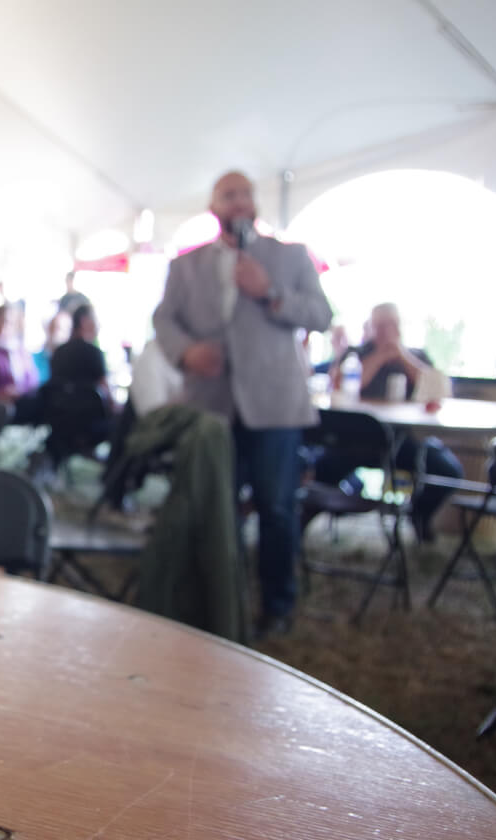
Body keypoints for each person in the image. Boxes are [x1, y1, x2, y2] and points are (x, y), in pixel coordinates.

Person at [153, 171, 333, 638]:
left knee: (276, 507)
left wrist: (270, 292)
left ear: (255, 205)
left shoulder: (289, 257)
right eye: (228, 194)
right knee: (217, 506)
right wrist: (187, 351)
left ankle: (278, 604)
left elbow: (321, 314)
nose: (239, 201)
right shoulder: (186, 266)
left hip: (274, 406)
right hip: (212, 406)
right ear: (214, 208)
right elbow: (164, 319)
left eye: (245, 194)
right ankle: (220, 601)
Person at [318, 302, 462, 541]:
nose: (386, 331)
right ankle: (300, 529)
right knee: (322, 468)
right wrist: (380, 356)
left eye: (391, 325)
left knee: (448, 470)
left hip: (406, 442)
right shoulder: (357, 354)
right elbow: (339, 387)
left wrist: (402, 357)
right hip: (357, 442)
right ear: (371, 328)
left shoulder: (416, 356)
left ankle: (419, 515)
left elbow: (440, 391)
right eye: (380, 326)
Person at [0, 304, 40, 406]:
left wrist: (21, 391)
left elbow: (32, 381)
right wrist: (0, 393)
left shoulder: (22, 352)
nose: (4, 325)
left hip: (22, 404)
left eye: (9, 322)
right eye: (1, 320)